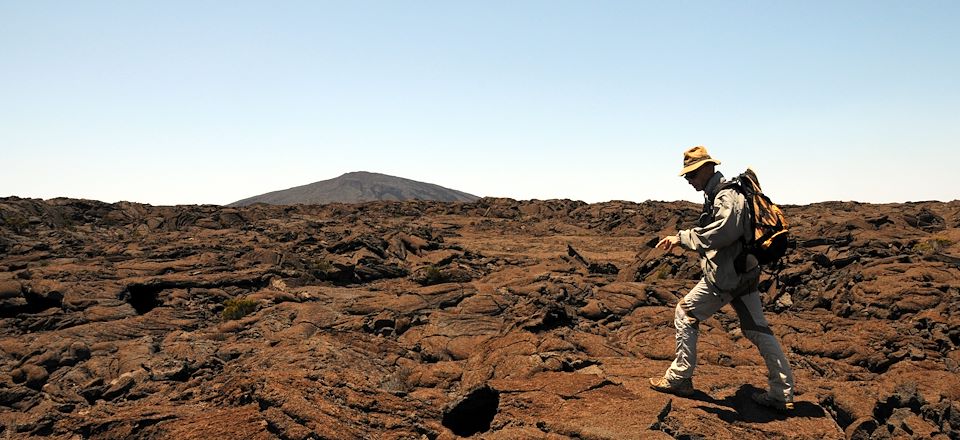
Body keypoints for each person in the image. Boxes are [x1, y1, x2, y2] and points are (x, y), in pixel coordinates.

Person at [648, 145, 795, 412]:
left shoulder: (726, 196)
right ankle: (781, 392)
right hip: (745, 272)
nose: (689, 181)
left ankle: (680, 378)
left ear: (707, 169)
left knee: (685, 313)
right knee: (756, 329)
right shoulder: (722, 193)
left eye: (692, 175)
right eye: (687, 176)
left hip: (727, 277)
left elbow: (723, 232)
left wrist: (681, 238)